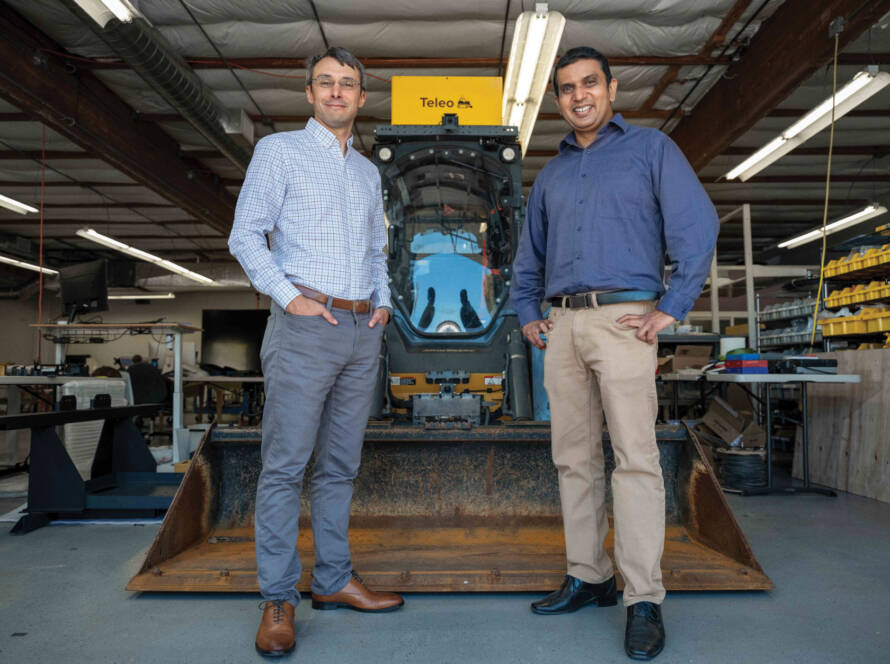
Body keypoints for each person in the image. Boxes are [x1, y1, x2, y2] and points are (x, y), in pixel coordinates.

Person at [511, 46, 718, 661]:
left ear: (611, 87)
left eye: (589, 83)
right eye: (568, 88)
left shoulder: (651, 150)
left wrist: (671, 306)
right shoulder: (549, 175)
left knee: (635, 459)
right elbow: (529, 255)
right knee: (573, 458)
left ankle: (643, 597)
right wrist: (528, 313)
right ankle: (590, 574)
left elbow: (697, 227)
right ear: (557, 99)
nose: (580, 95)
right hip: (564, 328)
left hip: (627, 321)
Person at [228, 46, 403, 658]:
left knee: (339, 467)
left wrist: (381, 304)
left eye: (347, 85)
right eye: (325, 83)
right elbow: (244, 234)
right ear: (309, 93)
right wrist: (288, 298)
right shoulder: (278, 152)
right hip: (306, 326)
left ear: (360, 97)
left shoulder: (366, 170)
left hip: (361, 332)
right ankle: (278, 599)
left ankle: (332, 581)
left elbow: (378, 250)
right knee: (284, 466)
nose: (336, 93)